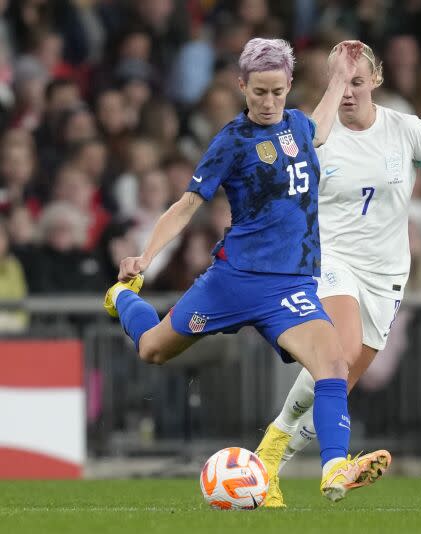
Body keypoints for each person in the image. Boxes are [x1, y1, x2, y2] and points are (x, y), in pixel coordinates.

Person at [101, 38, 388, 504]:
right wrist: (144, 258)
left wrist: (338, 79)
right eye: (259, 92)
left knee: (334, 363)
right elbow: (186, 205)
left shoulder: (299, 125)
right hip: (232, 282)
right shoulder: (231, 142)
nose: (269, 102)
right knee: (152, 349)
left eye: (277, 92)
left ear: (289, 86)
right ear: (242, 87)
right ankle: (121, 298)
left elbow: (318, 128)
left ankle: (335, 467)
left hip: (291, 285)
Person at [258, 41, 421, 507]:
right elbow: (305, 145)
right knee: (342, 348)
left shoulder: (406, 129)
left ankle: (272, 456)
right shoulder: (316, 132)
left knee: (339, 379)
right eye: (340, 82)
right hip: (329, 259)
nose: (349, 92)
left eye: (357, 82)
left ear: (375, 80)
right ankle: (334, 466)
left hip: (387, 273)